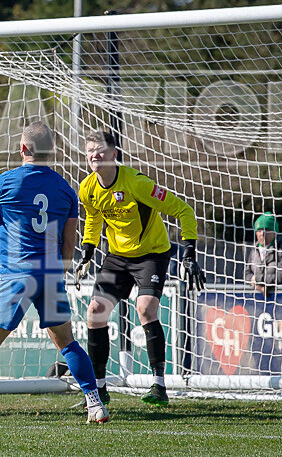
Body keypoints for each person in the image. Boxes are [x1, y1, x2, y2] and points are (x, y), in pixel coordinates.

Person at [0, 122, 109, 427]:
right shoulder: (66, 189)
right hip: (49, 275)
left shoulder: (6, 180)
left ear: (23, 149)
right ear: (52, 150)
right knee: (67, 342)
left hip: (15, 275)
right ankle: (95, 404)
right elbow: (69, 243)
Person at [73, 131, 204, 407]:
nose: (94, 155)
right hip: (118, 257)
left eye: (100, 150)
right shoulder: (87, 187)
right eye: (90, 151)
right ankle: (99, 389)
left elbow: (184, 210)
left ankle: (159, 385)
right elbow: (93, 218)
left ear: (114, 154)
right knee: (95, 312)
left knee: (145, 308)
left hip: (151, 255)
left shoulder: (137, 183)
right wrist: (88, 251)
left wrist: (189, 252)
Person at [244, 212, 282, 295]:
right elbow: (246, 274)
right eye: (259, 230)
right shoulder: (254, 250)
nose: (262, 234)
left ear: (275, 231)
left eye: (267, 230)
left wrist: (257, 280)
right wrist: (256, 285)